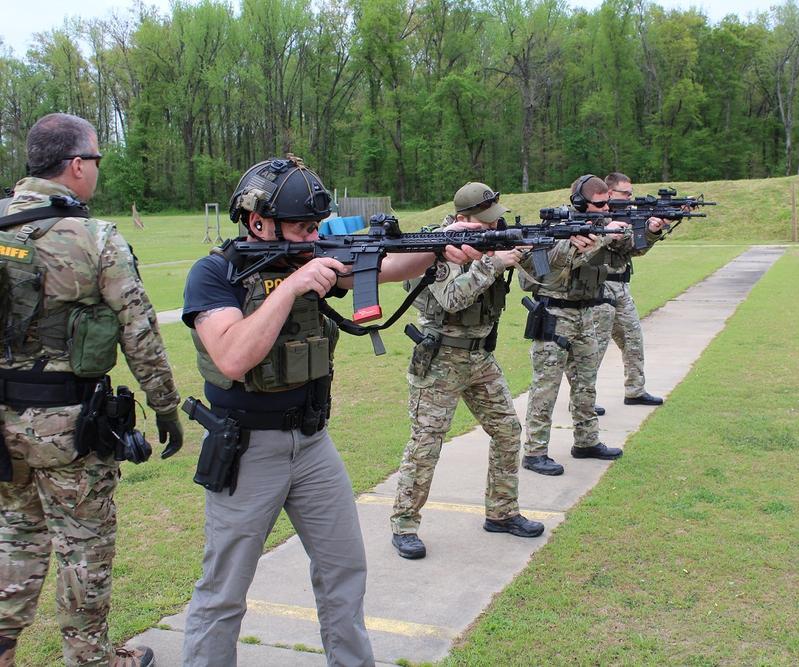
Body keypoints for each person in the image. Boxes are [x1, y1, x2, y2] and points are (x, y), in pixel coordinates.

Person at [180, 156, 482, 666]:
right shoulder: (215, 273)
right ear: (258, 223)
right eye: (302, 227)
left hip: (313, 444)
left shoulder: (312, 258)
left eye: (317, 226)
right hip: (247, 448)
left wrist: (436, 244)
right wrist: (295, 287)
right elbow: (232, 356)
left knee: (344, 571)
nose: (313, 237)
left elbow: (387, 266)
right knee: (224, 591)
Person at [0, 113, 183, 667]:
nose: (97, 171)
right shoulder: (94, 237)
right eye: (96, 159)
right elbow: (141, 334)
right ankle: (93, 658)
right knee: (84, 547)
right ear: (77, 165)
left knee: (15, 536)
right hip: (67, 430)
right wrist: (166, 408)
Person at [390, 182, 544, 560]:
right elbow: (452, 298)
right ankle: (404, 524)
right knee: (426, 444)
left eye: (496, 220)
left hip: (480, 358)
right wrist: (493, 263)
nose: (495, 227)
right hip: (440, 359)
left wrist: (525, 255)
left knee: (508, 431)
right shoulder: (435, 247)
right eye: (486, 222)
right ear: (462, 219)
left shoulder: (495, 240)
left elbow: (540, 281)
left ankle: (502, 512)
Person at [520, 175, 666, 476]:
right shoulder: (557, 228)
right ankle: (535, 451)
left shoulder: (600, 224)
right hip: (554, 316)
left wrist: (649, 232)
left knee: (586, 383)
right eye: (599, 204)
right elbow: (551, 265)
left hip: (587, 312)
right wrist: (602, 235)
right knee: (546, 387)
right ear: (578, 202)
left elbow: (628, 249)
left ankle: (586, 441)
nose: (605, 209)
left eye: (607, 203)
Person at [592, 172, 664, 408]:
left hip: (621, 285)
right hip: (599, 289)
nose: (631, 197)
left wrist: (651, 231)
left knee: (633, 340)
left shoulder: (624, 216)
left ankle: (635, 390)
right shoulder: (591, 217)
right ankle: (583, 400)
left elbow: (635, 249)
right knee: (593, 348)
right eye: (626, 193)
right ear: (610, 193)